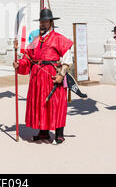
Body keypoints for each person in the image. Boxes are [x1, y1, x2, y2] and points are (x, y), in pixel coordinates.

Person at [13, 8, 73, 144]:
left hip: (53, 76)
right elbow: (28, 58)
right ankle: (43, 133)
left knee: (55, 104)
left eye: (45, 21)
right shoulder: (36, 40)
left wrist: (61, 74)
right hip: (37, 79)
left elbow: (68, 58)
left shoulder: (59, 38)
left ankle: (59, 134)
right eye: (41, 21)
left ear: (51, 22)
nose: (43, 24)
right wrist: (19, 64)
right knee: (40, 104)